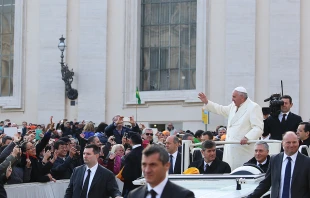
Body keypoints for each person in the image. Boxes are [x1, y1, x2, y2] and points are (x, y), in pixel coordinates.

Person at [198, 86, 263, 170]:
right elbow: (221, 109)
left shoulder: (253, 107)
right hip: (230, 150)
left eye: (234, 97)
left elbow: (258, 128)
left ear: (242, 97)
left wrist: (247, 137)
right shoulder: (233, 106)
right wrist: (207, 102)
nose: (232, 99)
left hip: (243, 150)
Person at [248, 132, 310, 198]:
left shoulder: (307, 162)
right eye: (288, 142)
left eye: (294, 142)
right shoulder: (275, 159)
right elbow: (266, 183)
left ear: (298, 142)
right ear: (282, 143)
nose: (291, 145)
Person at [128, 144, 195, 198]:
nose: (147, 170)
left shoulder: (183, 196)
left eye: (153, 165)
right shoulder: (134, 195)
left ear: (167, 166)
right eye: (144, 165)